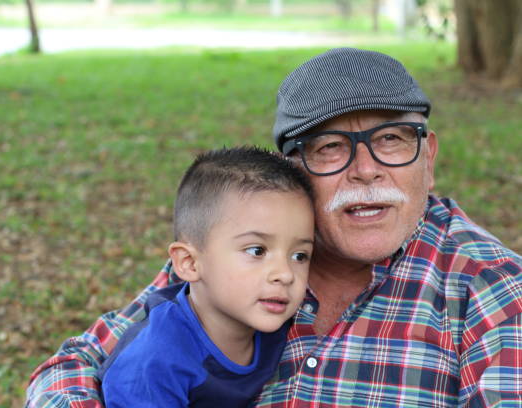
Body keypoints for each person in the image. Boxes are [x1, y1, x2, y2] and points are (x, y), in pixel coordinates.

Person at [26, 47, 522, 407]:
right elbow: (76, 363)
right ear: (294, 176)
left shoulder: (489, 286)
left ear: (428, 157)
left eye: (391, 139)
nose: (367, 170)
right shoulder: (239, 248)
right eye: (330, 147)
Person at [98, 146, 316, 407]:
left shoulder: (279, 329)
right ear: (189, 263)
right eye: (257, 250)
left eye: (300, 256)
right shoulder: (154, 363)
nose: (285, 274)